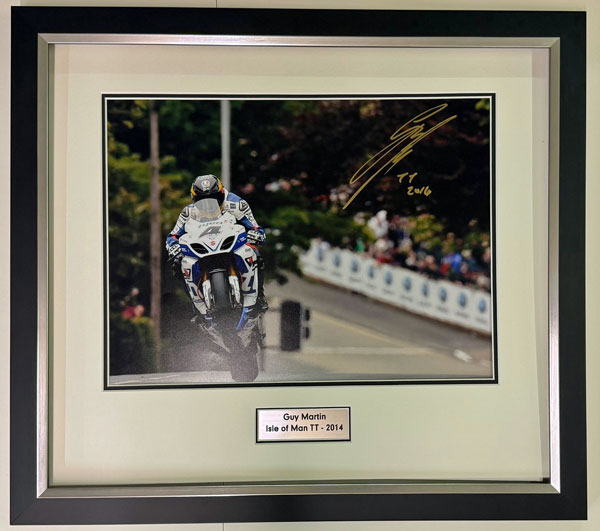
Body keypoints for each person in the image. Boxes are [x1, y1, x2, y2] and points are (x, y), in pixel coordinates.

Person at [165, 174, 268, 316]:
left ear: (221, 195)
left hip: (231, 243)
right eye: (202, 202)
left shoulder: (237, 204)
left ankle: (259, 296)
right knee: (178, 263)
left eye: (214, 199)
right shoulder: (188, 212)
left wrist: (257, 235)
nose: (208, 207)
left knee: (254, 251)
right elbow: (173, 235)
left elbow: (256, 227)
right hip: (203, 247)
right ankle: (197, 307)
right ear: (194, 200)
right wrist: (173, 246)